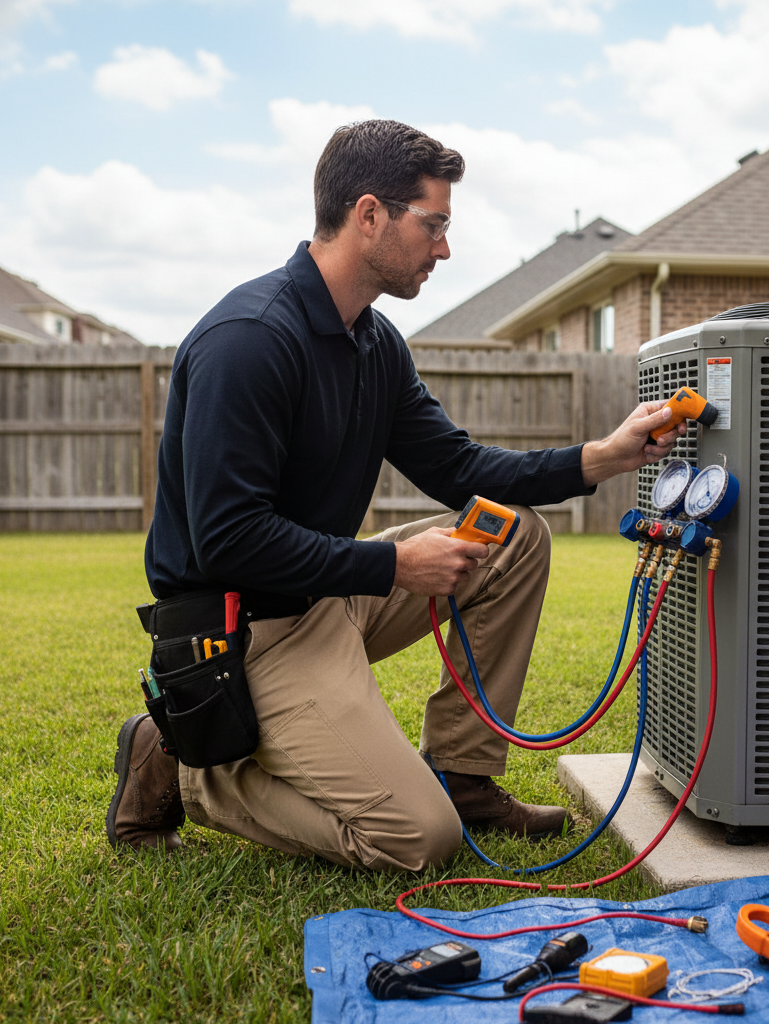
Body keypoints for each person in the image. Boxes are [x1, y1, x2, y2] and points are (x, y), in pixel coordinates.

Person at [106, 119, 685, 870]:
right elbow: (229, 539)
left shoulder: (374, 345)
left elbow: (458, 468)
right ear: (370, 214)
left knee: (515, 536)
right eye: (434, 224)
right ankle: (193, 769)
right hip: (246, 631)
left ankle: (463, 776)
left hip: (326, 594)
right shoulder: (248, 341)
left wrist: (602, 458)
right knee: (419, 838)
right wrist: (394, 569)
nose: (444, 248)